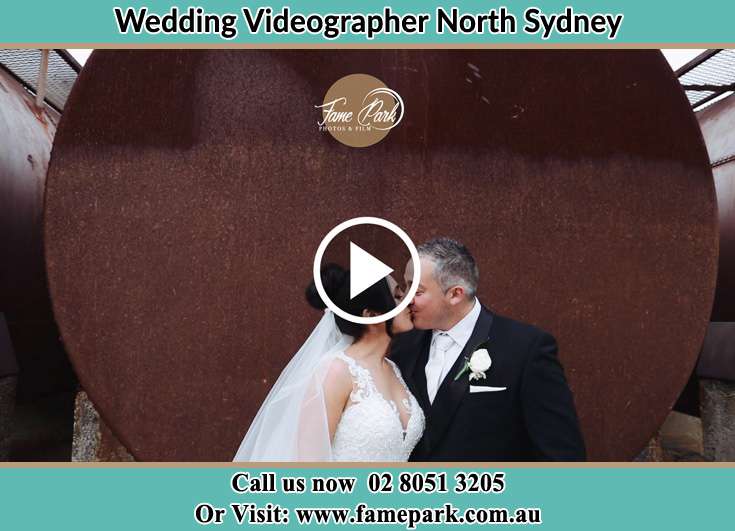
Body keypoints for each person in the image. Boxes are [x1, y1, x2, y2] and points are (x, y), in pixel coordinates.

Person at [391, 238, 586, 461]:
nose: (405, 299)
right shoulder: (401, 344)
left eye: (416, 291)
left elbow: (562, 454)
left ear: (455, 294)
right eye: (405, 286)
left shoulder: (525, 348)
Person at [233, 264, 425, 461]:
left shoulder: (394, 370)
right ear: (372, 315)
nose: (408, 301)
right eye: (397, 296)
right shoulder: (337, 371)